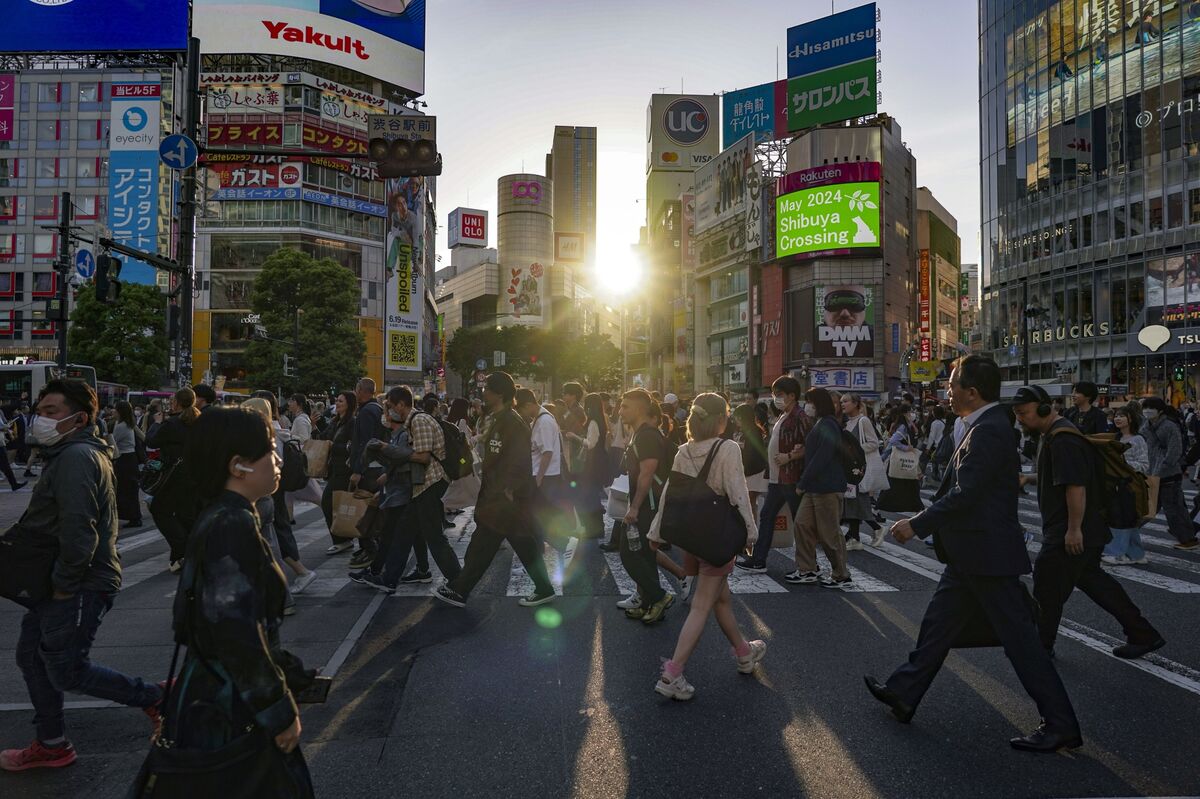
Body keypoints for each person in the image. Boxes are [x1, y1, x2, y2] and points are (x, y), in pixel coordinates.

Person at [864, 356, 1082, 753]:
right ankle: (903, 692)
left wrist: (917, 523)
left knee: (1022, 643)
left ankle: (1061, 723)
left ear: (972, 391)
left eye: (951, 385)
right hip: (972, 552)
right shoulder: (984, 425)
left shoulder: (989, 429)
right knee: (937, 627)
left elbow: (968, 493)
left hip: (986, 552)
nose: (947, 391)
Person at [1, 380, 164, 772]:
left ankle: (152, 697)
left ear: (80, 418)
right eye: (41, 409)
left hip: (78, 582)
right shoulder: (72, 452)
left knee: (66, 668)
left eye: (52, 411)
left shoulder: (76, 457)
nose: (41, 418)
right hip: (65, 580)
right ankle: (52, 742)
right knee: (33, 657)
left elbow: (79, 530)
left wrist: (62, 587)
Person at [166, 406, 315, 794]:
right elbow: (236, 633)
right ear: (238, 466)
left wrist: (288, 670)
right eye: (268, 449)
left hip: (218, 696)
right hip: (231, 707)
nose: (278, 458)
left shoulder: (225, 515)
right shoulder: (232, 525)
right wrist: (278, 709)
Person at [1012, 386, 1165, 660]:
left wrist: (1073, 530)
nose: (1020, 419)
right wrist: (1029, 478)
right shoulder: (1056, 435)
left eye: (1023, 413)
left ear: (1045, 408)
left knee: (1047, 587)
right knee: (1095, 583)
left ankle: (1040, 647)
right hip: (1082, 529)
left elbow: (1075, 486)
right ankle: (1142, 633)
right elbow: (1064, 477)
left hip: (1070, 531)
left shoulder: (1063, 439)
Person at [648, 393, 765, 701]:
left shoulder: (683, 450)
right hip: (717, 537)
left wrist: (656, 530)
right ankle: (673, 672)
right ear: (720, 420)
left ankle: (744, 653)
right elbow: (738, 493)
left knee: (720, 600)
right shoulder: (727, 448)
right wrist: (750, 534)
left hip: (692, 537)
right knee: (702, 605)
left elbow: (669, 495)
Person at [435, 373, 556, 608]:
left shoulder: (512, 422)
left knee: (483, 544)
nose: (483, 393)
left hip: (503, 498)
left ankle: (460, 590)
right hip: (497, 495)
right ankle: (544, 588)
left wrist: (509, 489)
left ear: (499, 393)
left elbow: (519, 461)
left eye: (487, 389)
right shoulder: (500, 419)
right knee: (522, 543)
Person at [362, 386, 462, 593]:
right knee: (403, 533)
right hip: (421, 487)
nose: (388, 411)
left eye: (390, 406)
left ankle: (458, 582)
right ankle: (390, 580)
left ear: (401, 404)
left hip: (431, 483)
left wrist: (389, 449)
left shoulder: (420, 421)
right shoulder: (412, 422)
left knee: (434, 537)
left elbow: (423, 457)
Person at [735, 376, 808, 573]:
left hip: (791, 478)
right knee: (767, 517)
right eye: (775, 394)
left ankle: (808, 565)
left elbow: (809, 444)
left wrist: (790, 456)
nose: (776, 398)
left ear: (792, 396)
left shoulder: (800, 416)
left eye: (780, 394)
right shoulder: (783, 415)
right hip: (777, 479)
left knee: (800, 522)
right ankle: (758, 560)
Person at [615, 389, 676, 624]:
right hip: (645, 503)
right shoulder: (639, 433)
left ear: (639, 409)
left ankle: (660, 596)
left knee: (629, 553)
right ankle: (650, 603)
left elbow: (647, 474)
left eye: (625, 406)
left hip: (648, 504)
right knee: (644, 554)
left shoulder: (647, 435)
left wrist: (634, 508)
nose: (620, 411)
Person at [251, 391, 318, 596]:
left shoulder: (270, 432)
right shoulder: (278, 429)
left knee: (275, 532)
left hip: (270, 490)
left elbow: (275, 461)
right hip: (273, 488)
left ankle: (297, 574)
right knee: (278, 530)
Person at [786, 388, 853, 588]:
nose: (807, 406)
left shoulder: (829, 424)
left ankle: (841, 574)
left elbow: (822, 458)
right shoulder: (821, 424)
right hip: (815, 487)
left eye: (810, 402)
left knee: (829, 533)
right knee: (802, 525)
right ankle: (807, 569)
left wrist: (803, 482)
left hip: (827, 487)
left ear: (819, 404)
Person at [148, 388, 203, 572]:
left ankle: (182, 548)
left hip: (174, 475)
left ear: (177, 403)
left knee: (159, 510)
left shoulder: (171, 423)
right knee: (186, 514)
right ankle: (185, 554)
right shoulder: (198, 421)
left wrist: (156, 423)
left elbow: (152, 442)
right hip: (194, 474)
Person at [1141, 396, 1199, 550]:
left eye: (1150, 408)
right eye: (1145, 407)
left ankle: (1188, 539)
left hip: (1168, 474)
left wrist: (1162, 468)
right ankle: (1126, 534)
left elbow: (1174, 452)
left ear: (1160, 411)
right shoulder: (1145, 425)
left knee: (1174, 509)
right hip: (1152, 472)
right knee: (1146, 508)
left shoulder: (1169, 426)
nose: (1147, 411)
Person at [1103, 405, 1151, 565]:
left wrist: (1123, 464)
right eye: (1116, 415)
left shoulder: (1138, 439)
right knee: (1127, 517)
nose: (1117, 418)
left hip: (1130, 484)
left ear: (1131, 419)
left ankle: (1115, 553)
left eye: (1122, 416)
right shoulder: (1113, 438)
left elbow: (1144, 465)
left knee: (1121, 517)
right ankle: (1136, 554)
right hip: (1114, 483)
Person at [347, 378, 387, 570]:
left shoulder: (366, 412)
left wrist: (357, 470)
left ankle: (370, 548)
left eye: (356, 390)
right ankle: (371, 547)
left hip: (369, 468)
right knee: (372, 509)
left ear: (362, 391)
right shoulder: (376, 409)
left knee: (364, 510)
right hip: (377, 466)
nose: (355, 393)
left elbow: (365, 443)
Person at [841, 393, 887, 549]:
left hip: (861, 469)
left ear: (855, 403)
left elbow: (874, 443)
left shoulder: (863, 421)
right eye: (841, 401)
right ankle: (855, 537)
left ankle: (876, 528)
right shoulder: (846, 422)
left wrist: (855, 450)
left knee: (858, 500)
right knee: (852, 500)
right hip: (850, 468)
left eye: (846, 401)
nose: (842, 404)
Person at [319, 391, 357, 554]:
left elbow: (352, 447)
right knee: (336, 505)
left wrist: (333, 446)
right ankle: (344, 539)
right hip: (333, 468)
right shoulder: (335, 421)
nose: (338, 403)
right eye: (337, 400)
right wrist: (316, 425)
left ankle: (343, 540)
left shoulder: (352, 423)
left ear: (349, 404)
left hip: (345, 470)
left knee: (328, 502)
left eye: (341, 401)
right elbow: (324, 438)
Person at [876, 406, 925, 514]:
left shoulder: (907, 425)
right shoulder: (903, 426)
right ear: (905, 414)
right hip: (902, 458)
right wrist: (906, 448)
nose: (911, 414)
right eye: (909, 412)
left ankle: (915, 507)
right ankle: (915, 507)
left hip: (901, 460)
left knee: (901, 483)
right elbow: (893, 441)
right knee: (906, 483)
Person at [574, 393, 609, 539]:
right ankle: (596, 529)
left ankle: (594, 530)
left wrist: (576, 438)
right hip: (598, 462)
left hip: (593, 463)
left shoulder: (594, 421)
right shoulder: (600, 419)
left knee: (590, 496)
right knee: (593, 496)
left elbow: (591, 443)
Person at [111, 400, 143, 528]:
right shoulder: (129, 424)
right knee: (130, 489)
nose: (113, 411)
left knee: (125, 489)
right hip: (131, 459)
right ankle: (134, 516)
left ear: (120, 411)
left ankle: (133, 517)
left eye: (115, 409)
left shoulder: (121, 426)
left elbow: (113, 441)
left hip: (124, 459)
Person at [731, 403, 768, 506]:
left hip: (753, 472)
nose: (736, 420)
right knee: (749, 502)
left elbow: (752, 455)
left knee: (750, 502)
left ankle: (751, 522)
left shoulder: (753, 432)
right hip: (749, 471)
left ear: (744, 417)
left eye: (738, 417)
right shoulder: (745, 431)